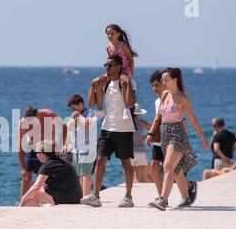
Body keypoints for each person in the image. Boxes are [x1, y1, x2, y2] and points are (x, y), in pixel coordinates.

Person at [146, 68, 209, 211]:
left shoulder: (182, 99)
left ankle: (162, 200)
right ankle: (186, 198)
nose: (163, 82)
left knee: (167, 166)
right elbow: (158, 116)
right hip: (165, 134)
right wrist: (151, 133)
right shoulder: (164, 94)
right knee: (176, 169)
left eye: (165, 79)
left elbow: (193, 120)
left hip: (177, 134)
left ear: (174, 80)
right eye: (162, 80)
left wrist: (202, 138)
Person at [81, 55, 136, 208]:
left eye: (110, 65)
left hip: (124, 129)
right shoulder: (105, 84)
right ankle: (96, 196)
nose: (107, 68)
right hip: (107, 128)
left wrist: (127, 85)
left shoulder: (126, 82)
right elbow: (91, 103)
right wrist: (93, 85)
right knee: (100, 160)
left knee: (126, 163)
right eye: (105, 65)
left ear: (118, 66)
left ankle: (128, 197)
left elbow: (131, 103)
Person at [88, 24, 138, 116]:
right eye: (108, 34)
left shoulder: (123, 46)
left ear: (118, 34)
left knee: (123, 83)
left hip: (124, 70)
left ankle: (126, 108)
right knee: (98, 83)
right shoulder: (108, 47)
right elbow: (110, 60)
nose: (110, 36)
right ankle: (99, 109)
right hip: (113, 70)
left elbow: (131, 60)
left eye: (112, 33)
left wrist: (131, 74)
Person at [17, 106, 67, 198]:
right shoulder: (23, 123)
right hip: (32, 149)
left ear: (38, 115)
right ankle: (23, 202)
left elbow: (64, 127)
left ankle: (47, 199)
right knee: (26, 177)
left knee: (47, 177)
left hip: (48, 149)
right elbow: (20, 148)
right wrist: (22, 168)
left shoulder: (49, 115)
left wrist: (62, 145)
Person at [17, 141, 82, 207]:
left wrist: (22, 200)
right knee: (40, 189)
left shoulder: (47, 166)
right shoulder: (61, 160)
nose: (36, 155)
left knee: (33, 195)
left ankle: (31, 215)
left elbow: (36, 187)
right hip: (76, 197)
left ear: (42, 153)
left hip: (69, 199)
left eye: (37, 153)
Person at [64, 94, 97, 197]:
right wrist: (66, 144)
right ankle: (82, 196)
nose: (73, 110)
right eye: (72, 109)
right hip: (76, 149)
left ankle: (85, 196)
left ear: (80, 104)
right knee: (79, 175)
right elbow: (70, 130)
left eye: (74, 108)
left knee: (85, 173)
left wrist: (79, 115)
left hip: (87, 149)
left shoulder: (90, 113)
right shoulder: (75, 116)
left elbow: (87, 125)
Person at [131, 103, 153, 182]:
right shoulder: (142, 122)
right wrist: (144, 138)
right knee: (141, 179)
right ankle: (142, 194)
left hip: (129, 151)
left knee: (129, 177)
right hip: (140, 151)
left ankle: (129, 194)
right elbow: (154, 130)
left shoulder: (126, 122)